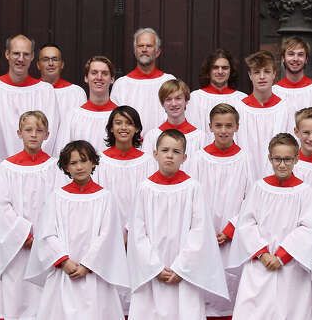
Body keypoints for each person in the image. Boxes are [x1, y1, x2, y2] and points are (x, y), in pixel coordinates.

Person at [126, 129, 229, 320]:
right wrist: (155, 268)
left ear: (185, 157)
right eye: (165, 150)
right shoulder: (145, 189)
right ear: (155, 154)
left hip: (184, 274)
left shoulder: (193, 188)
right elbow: (137, 234)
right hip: (152, 273)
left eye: (176, 152)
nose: (170, 156)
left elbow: (200, 232)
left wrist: (182, 268)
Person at [25, 140, 128, 319]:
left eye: (83, 160)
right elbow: (47, 234)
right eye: (73, 163)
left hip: (95, 276)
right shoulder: (57, 197)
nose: (79, 167)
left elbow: (108, 236)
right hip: (64, 273)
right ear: (66, 167)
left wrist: (88, 265)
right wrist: (64, 261)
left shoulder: (105, 197)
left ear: (93, 162)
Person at [227, 133, 312, 320]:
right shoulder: (259, 188)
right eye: (277, 159)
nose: (282, 164)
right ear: (270, 158)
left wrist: (282, 256)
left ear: (296, 159)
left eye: (287, 159)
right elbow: (246, 223)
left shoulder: (305, 191)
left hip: (290, 267)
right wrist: (263, 253)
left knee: (290, 311)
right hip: (259, 263)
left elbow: (308, 228)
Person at [0, 110, 62, 320]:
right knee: (16, 293)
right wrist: (24, 235)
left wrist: (43, 236)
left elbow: (57, 203)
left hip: (44, 244)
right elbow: (3, 206)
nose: (33, 134)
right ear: (19, 133)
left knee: (43, 295)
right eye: (28, 130)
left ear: (47, 134)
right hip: (16, 247)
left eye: (39, 130)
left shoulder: (54, 167)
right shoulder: (7, 167)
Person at [186, 103, 254, 320]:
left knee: (231, 292)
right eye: (218, 125)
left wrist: (231, 228)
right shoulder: (198, 158)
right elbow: (191, 196)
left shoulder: (245, 158)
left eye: (228, 125)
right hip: (205, 235)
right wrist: (204, 230)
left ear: (237, 127)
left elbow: (251, 199)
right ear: (210, 127)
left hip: (233, 236)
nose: (223, 130)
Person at [0, 34, 60, 187]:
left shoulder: (45, 91)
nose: (20, 59)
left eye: (26, 54)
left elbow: (50, 133)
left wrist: (33, 167)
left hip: (36, 173)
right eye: (16, 53)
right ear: (7, 54)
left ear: (32, 57)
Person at [94, 106, 156, 233]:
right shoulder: (99, 161)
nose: (123, 127)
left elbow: (149, 200)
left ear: (137, 128)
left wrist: (131, 229)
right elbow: (96, 199)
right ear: (111, 128)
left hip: (139, 230)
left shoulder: (148, 162)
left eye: (129, 123)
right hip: (106, 229)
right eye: (118, 123)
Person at [236, 50, 294, 176]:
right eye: (256, 72)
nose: (262, 77)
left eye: (267, 72)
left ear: (274, 74)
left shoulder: (284, 107)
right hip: (246, 173)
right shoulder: (240, 108)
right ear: (250, 75)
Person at [110, 27, 176, 133]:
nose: (144, 49)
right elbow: (116, 119)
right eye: (140, 46)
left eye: (149, 46)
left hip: (163, 144)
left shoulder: (169, 81)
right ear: (135, 51)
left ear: (157, 51)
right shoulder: (121, 84)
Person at [55, 56, 117, 153]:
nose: (99, 77)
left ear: (112, 79)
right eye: (94, 73)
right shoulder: (72, 116)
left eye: (104, 73)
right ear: (86, 78)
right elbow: (62, 154)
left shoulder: (120, 116)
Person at [141, 79, 206, 156]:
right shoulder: (152, 137)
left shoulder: (200, 137)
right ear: (162, 104)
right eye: (168, 99)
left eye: (178, 98)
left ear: (186, 101)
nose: (174, 104)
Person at [187, 49, 246, 131]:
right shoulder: (195, 98)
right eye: (215, 67)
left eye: (225, 68)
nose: (220, 71)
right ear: (208, 71)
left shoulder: (242, 99)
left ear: (231, 71)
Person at [272, 36, 312, 111]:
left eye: (300, 54)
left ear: (306, 59)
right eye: (291, 54)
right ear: (283, 58)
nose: (295, 59)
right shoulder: (274, 92)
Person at [37, 43, 86, 111]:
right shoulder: (31, 92)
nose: (51, 63)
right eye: (45, 59)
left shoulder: (76, 92)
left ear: (62, 64)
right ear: (38, 65)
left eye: (55, 59)